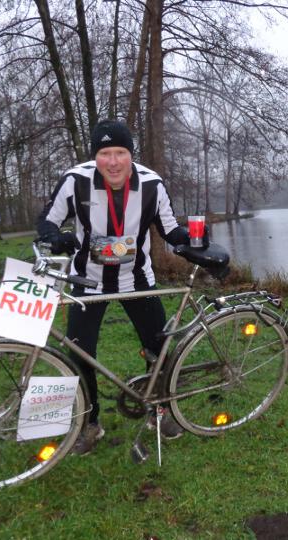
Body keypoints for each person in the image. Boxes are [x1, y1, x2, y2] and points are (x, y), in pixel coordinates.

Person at [36, 119, 205, 455]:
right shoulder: (76, 180)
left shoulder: (151, 184)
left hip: (137, 279)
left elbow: (170, 230)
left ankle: (160, 412)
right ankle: (90, 424)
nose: (112, 162)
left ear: (131, 155)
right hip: (89, 281)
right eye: (104, 153)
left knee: (159, 348)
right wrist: (55, 237)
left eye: (120, 153)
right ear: (95, 156)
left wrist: (194, 238)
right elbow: (46, 221)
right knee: (80, 354)